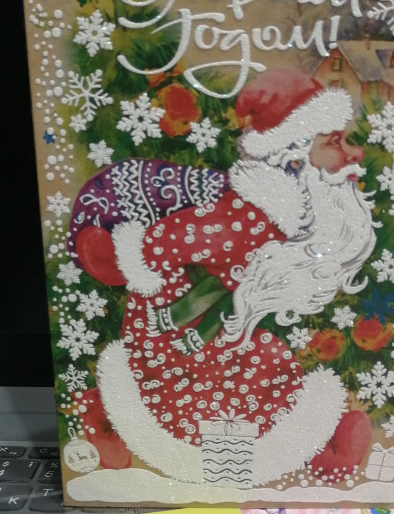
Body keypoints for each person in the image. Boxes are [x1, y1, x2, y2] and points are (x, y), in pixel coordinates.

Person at [67, 71, 375, 487]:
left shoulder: (291, 221)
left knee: (267, 367)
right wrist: (122, 258)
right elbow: (168, 240)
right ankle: (115, 423)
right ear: (294, 157)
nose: (354, 153)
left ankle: (306, 448)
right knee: (225, 391)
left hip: (224, 329)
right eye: (334, 142)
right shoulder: (243, 218)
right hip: (179, 334)